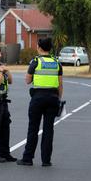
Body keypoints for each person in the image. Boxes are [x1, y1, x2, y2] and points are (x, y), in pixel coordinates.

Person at [17, 38, 63, 167]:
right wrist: (58, 99)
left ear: (39, 47)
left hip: (38, 97)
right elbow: (60, 84)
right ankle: (46, 160)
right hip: (53, 98)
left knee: (33, 128)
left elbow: (27, 80)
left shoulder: (35, 62)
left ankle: (28, 158)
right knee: (49, 130)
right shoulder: (56, 62)